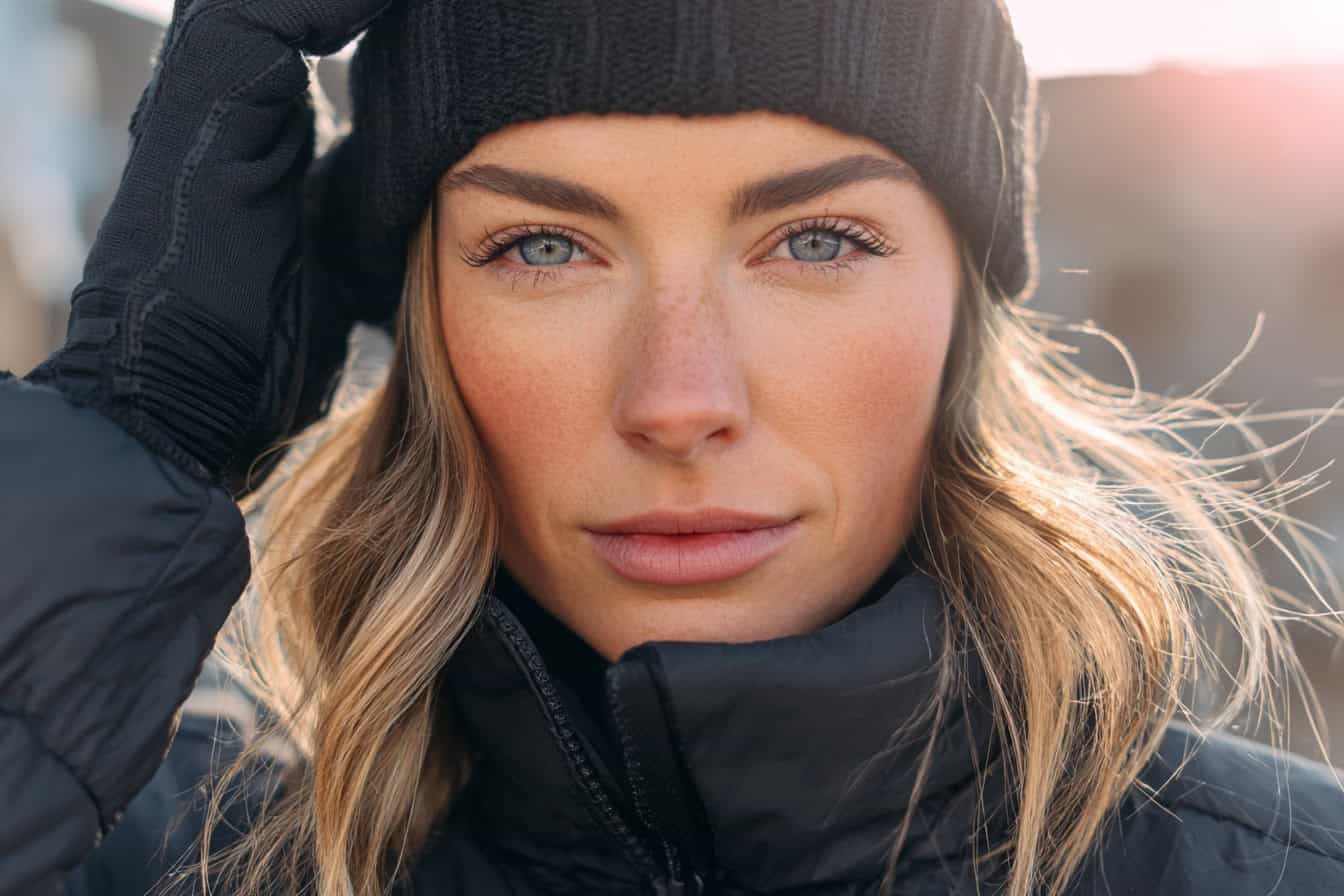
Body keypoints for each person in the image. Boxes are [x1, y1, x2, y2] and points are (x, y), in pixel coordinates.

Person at [2, 1, 1343, 894]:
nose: (678, 398)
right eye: (544, 247)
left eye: (815, 242)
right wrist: (139, 442)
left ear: (964, 315)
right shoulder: (170, 857)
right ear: (418, 317)